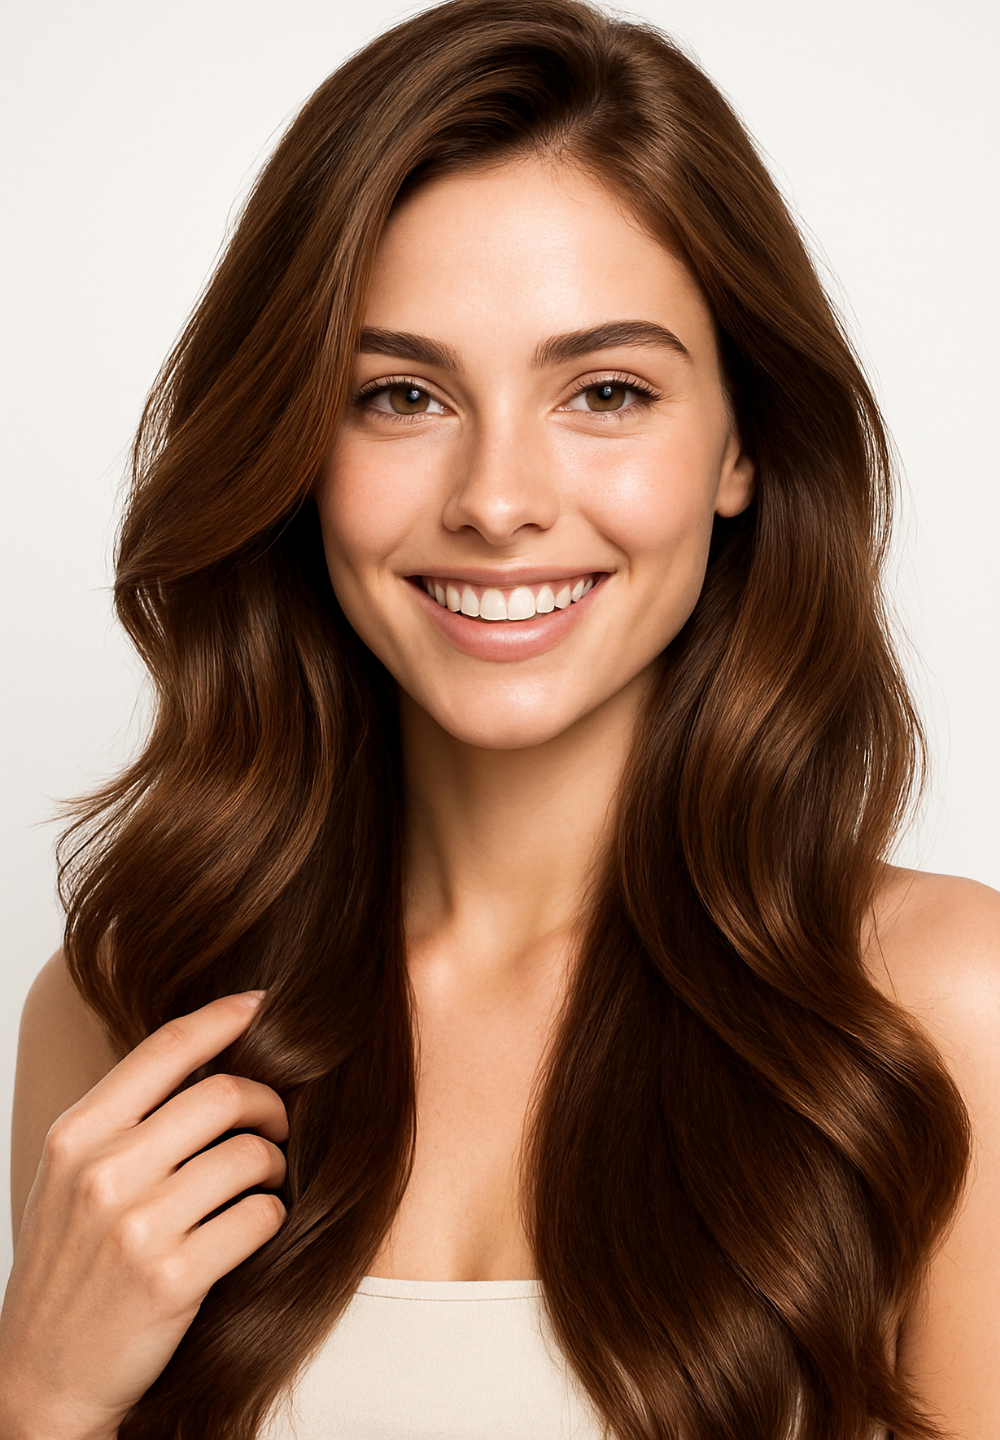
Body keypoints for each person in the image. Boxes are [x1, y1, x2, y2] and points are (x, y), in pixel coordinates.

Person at [2, 0, 998, 1436]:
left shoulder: (936, 1007)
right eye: (401, 394)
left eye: (605, 390)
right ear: (294, 447)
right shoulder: (124, 1009)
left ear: (742, 446)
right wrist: (32, 1403)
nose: (497, 499)